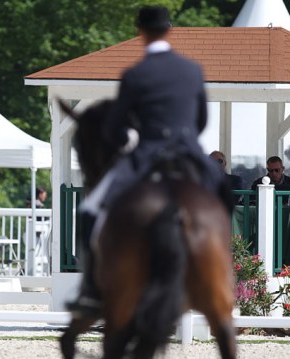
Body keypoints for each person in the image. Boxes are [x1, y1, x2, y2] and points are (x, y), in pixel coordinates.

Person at [66, 5, 233, 318]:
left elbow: (115, 127)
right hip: (188, 151)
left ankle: (90, 290)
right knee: (224, 195)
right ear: (169, 30)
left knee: (90, 210)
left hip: (147, 154)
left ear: (140, 32)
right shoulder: (192, 69)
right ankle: (224, 268)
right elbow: (201, 121)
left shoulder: (135, 74)